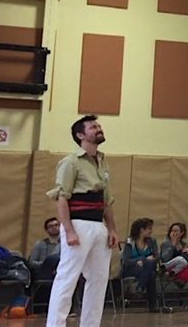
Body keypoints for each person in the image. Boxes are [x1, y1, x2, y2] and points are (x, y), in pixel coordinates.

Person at [45, 115, 118, 327]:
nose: (98, 128)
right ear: (80, 135)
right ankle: (55, 324)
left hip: (99, 226)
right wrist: (68, 230)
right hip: (78, 223)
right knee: (67, 278)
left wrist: (112, 229)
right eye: (93, 126)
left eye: (99, 126)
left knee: (98, 280)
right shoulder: (70, 162)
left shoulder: (103, 163)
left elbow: (107, 201)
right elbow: (62, 197)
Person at [120, 218, 164, 313]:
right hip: (131, 269)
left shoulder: (152, 241)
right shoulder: (130, 241)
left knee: (150, 270)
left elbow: (157, 257)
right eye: (149, 228)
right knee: (150, 272)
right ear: (141, 230)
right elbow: (126, 261)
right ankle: (151, 304)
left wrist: (145, 262)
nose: (151, 231)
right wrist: (142, 260)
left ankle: (140, 287)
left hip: (146, 269)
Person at [161, 222, 188, 295]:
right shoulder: (166, 244)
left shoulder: (185, 244)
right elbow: (165, 259)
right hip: (172, 268)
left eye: (176, 231)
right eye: (172, 231)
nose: (173, 233)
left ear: (182, 233)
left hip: (185, 266)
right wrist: (173, 245)